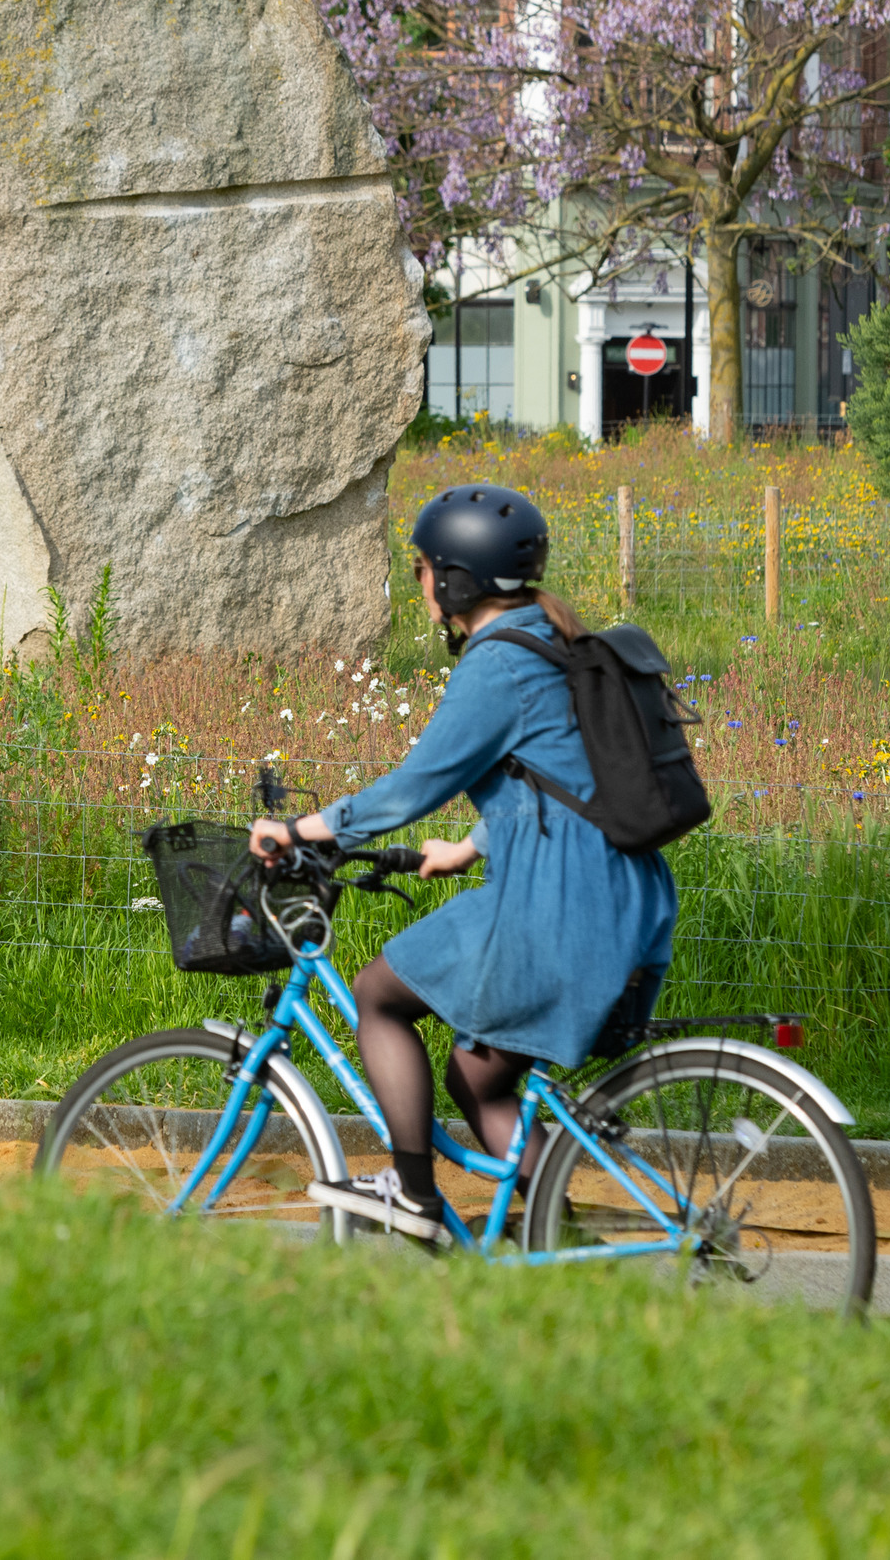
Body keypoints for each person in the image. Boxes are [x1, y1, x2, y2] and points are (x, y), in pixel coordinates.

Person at [248, 482, 677, 1245]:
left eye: (420, 567)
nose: (417, 581)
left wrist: (301, 828)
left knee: (380, 994)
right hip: (624, 897)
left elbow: (415, 785)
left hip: (557, 905)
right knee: (477, 1078)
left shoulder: (496, 664)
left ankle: (412, 1194)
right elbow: (563, 779)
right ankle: (559, 1239)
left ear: (452, 579)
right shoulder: (547, 639)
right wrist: (471, 846)